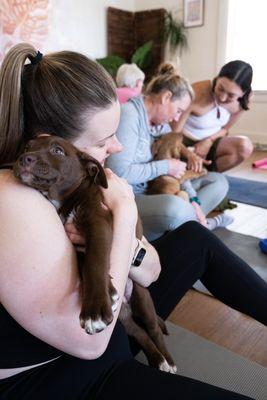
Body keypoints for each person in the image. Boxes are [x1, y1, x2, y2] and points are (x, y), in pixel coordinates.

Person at [0, 43, 266, 400]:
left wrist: (128, 250)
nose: (118, 147)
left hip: (104, 331)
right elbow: (89, 341)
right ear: (51, 145)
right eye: (103, 140)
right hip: (60, 374)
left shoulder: (77, 181)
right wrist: (125, 213)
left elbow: (151, 270)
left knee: (193, 237)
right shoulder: (14, 200)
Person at [107, 63, 231, 241]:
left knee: (218, 181)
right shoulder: (130, 115)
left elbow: (177, 170)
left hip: (160, 191)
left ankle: (192, 222)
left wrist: (194, 201)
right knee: (174, 208)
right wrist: (165, 167)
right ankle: (194, 226)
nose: (177, 118)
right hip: (132, 198)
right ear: (166, 97)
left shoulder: (162, 125)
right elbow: (118, 174)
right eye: (179, 110)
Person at [171, 60, 254, 172]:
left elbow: (225, 129)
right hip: (181, 144)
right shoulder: (197, 91)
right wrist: (190, 155)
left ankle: (202, 174)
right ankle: (191, 172)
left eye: (231, 95)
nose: (223, 98)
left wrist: (208, 141)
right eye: (220, 88)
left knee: (245, 147)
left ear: (243, 93)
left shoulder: (244, 101)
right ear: (217, 78)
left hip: (210, 143)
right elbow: (172, 133)